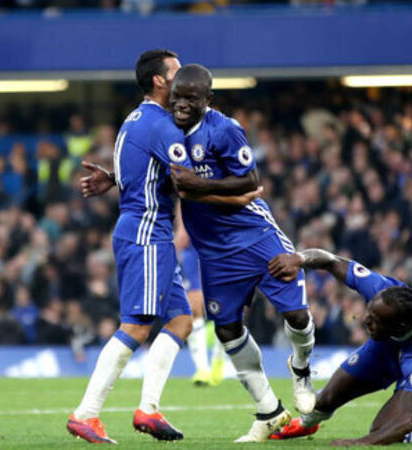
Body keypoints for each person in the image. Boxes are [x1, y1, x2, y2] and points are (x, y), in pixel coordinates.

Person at [71, 50, 257, 444]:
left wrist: (113, 178)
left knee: (181, 320)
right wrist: (236, 197)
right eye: (176, 72)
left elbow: (145, 169)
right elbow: (186, 184)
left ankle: (148, 410)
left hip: (148, 230)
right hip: (146, 232)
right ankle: (86, 414)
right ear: (159, 80)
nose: (183, 77)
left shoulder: (138, 118)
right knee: (137, 326)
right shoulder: (163, 125)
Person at [169, 64, 317, 442]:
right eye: (177, 97)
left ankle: (301, 370)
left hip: (255, 235)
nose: (182, 104)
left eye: (191, 98)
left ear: (208, 100)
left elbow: (250, 181)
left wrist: (200, 185)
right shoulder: (165, 129)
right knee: (227, 328)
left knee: (297, 315)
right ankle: (268, 410)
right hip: (214, 251)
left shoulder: (224, 129)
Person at [266, 249, 412, 445]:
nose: (364, 320)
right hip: (386, 346)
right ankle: (305, 424)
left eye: (375, 321)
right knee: (325, 400)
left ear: (398, 326)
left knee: (387, 431)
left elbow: (408, 419)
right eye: (368, 312)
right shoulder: (379, 289)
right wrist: (299, 258)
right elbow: (331, 261)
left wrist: (361, 443)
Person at [174, 223, 224, 387]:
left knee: (222, 307)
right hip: (197, 245)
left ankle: (216, 361)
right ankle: (204, 368)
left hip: (214, 241)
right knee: (197, 308)